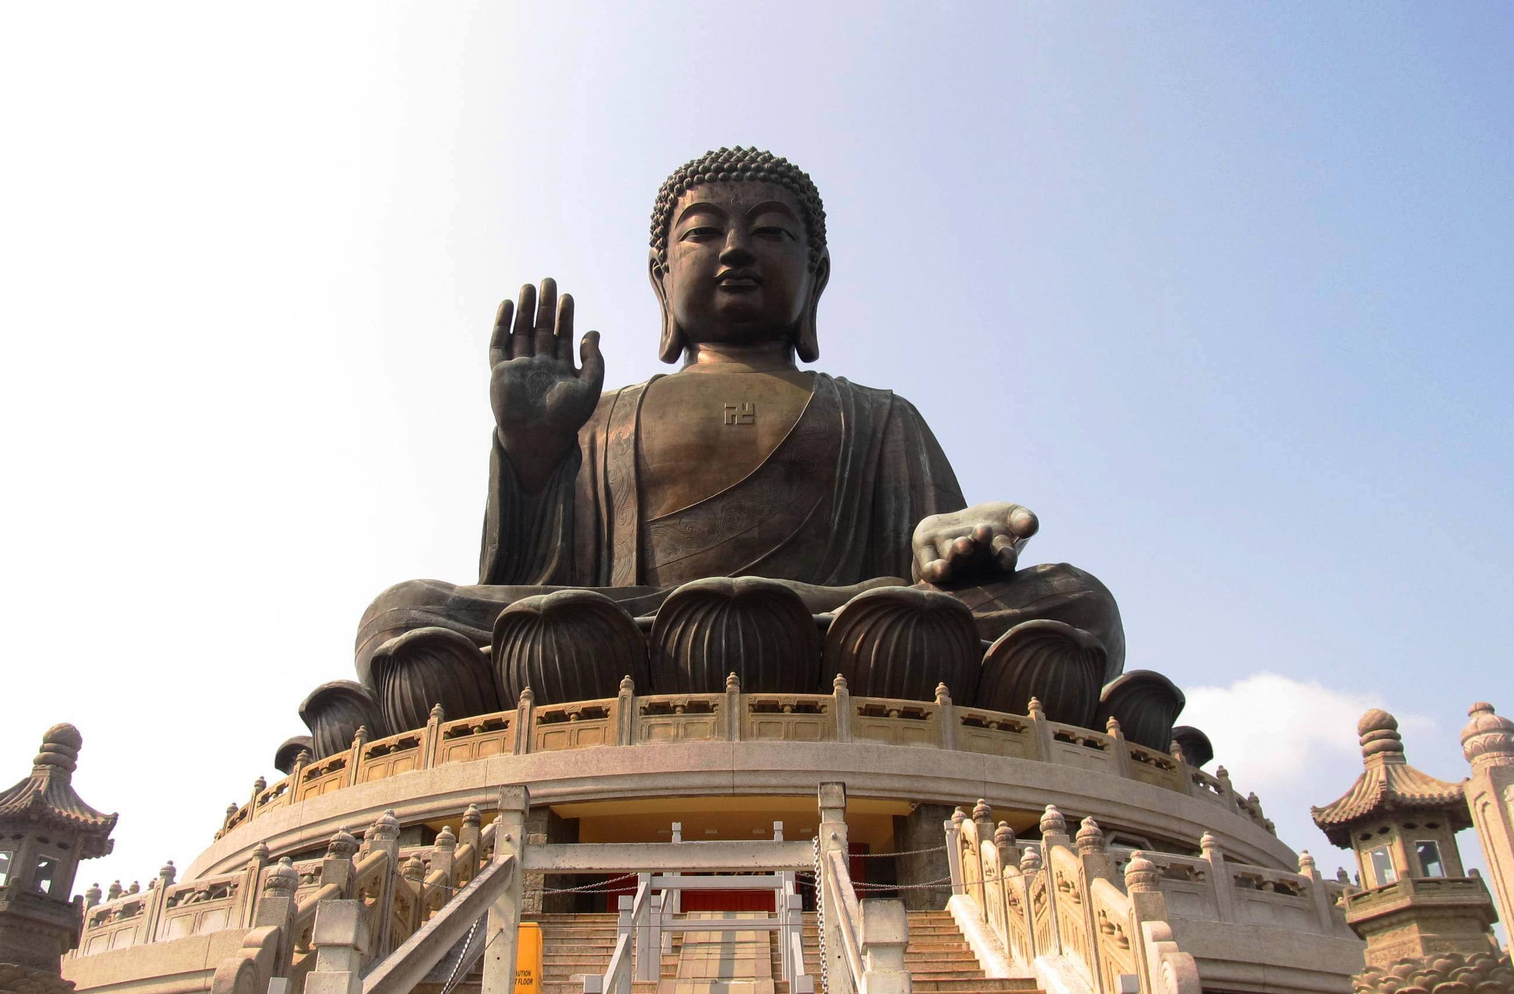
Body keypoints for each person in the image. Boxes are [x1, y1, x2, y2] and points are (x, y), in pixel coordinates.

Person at [356, 147, 1122, 686]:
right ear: (661, 281)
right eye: (703, 232)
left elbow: (932, 577)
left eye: (771, 232)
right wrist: (532, 457)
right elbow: (538, 586)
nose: (735, 250)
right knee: (402, 618)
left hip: (841, 632)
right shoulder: (603, 420)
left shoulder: (878, 418)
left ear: (815, 277)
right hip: (635, 634)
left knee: (1079, 603)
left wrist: (943, 549)